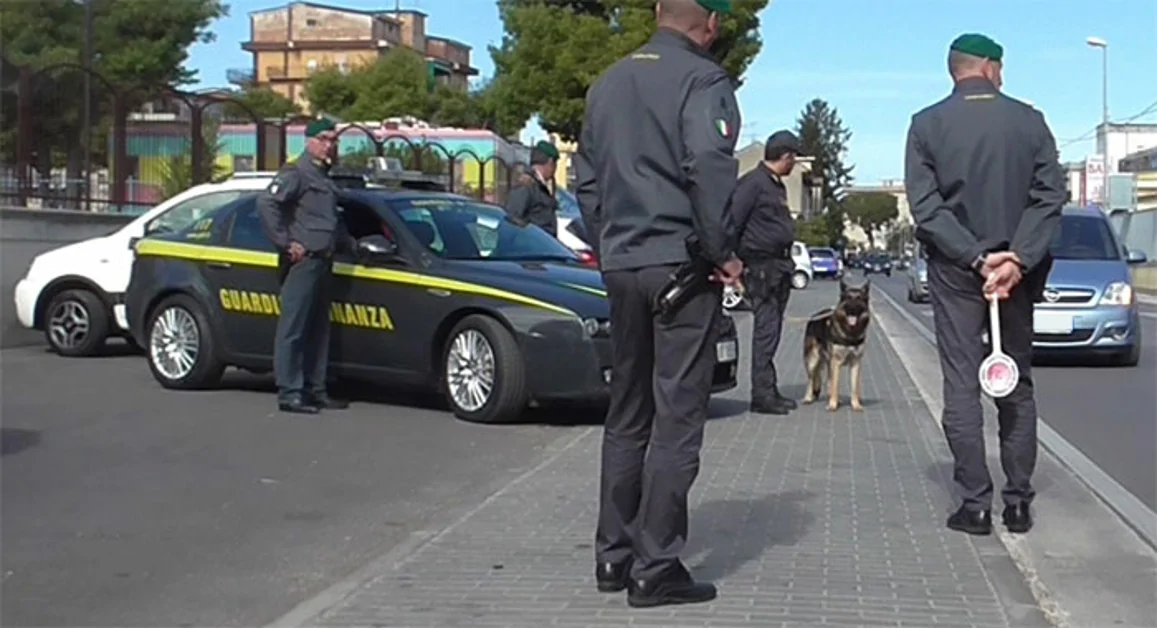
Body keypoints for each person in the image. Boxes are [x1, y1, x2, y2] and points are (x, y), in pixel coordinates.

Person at [573, 0, 743, 608]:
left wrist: (611, 245)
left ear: (655, 11)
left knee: (627, 411)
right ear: (712, 24)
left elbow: (585, 180)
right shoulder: (703, 80)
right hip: (681, 264)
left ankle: (612, 556)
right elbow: (709, 167)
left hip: (622, 262)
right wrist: (721, 251)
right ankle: (656, 565)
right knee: (677, 415)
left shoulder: (608, 82)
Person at [904, 33, 1066, 536]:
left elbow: (926, 208)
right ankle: (1017, 503)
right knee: (1015, 381)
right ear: (991, 67)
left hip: (957, 270)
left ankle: (975, 505)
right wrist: (1017, 258)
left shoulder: (926, 124)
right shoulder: (1029, 121)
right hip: (1016, 273)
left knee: (961, 384)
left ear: (954, 70)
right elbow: (1049, 197)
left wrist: (975, 257)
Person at [257, 118, 355, 415]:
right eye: (323, 139)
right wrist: (286, 243)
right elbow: (267, 204)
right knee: (294, 328)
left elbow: (331, 220)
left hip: (325, 259)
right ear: (309, 140)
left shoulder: (324, 176)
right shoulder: (296, 172)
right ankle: (290, 392)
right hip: (304, 261)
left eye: (333, 140)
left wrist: (352, 245)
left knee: (318, 329)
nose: (329, 145)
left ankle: (316, 389)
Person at [730, 130, 803, 415]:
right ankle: (761, 395)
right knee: (766, 330)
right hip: (762, 268)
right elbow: (733, 223)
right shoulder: (753, 184)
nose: (794, 163)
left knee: (772, 331)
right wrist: (734, 264)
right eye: (793, 157)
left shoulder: (774, 185)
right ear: (785, 156)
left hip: (778, 267)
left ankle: (769, 389)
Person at [505, 140, 560, 237]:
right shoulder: (526, 185)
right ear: (550, 162)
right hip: (530, 243)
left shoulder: (541, 186)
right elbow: (513, 219)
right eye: (555, 164)